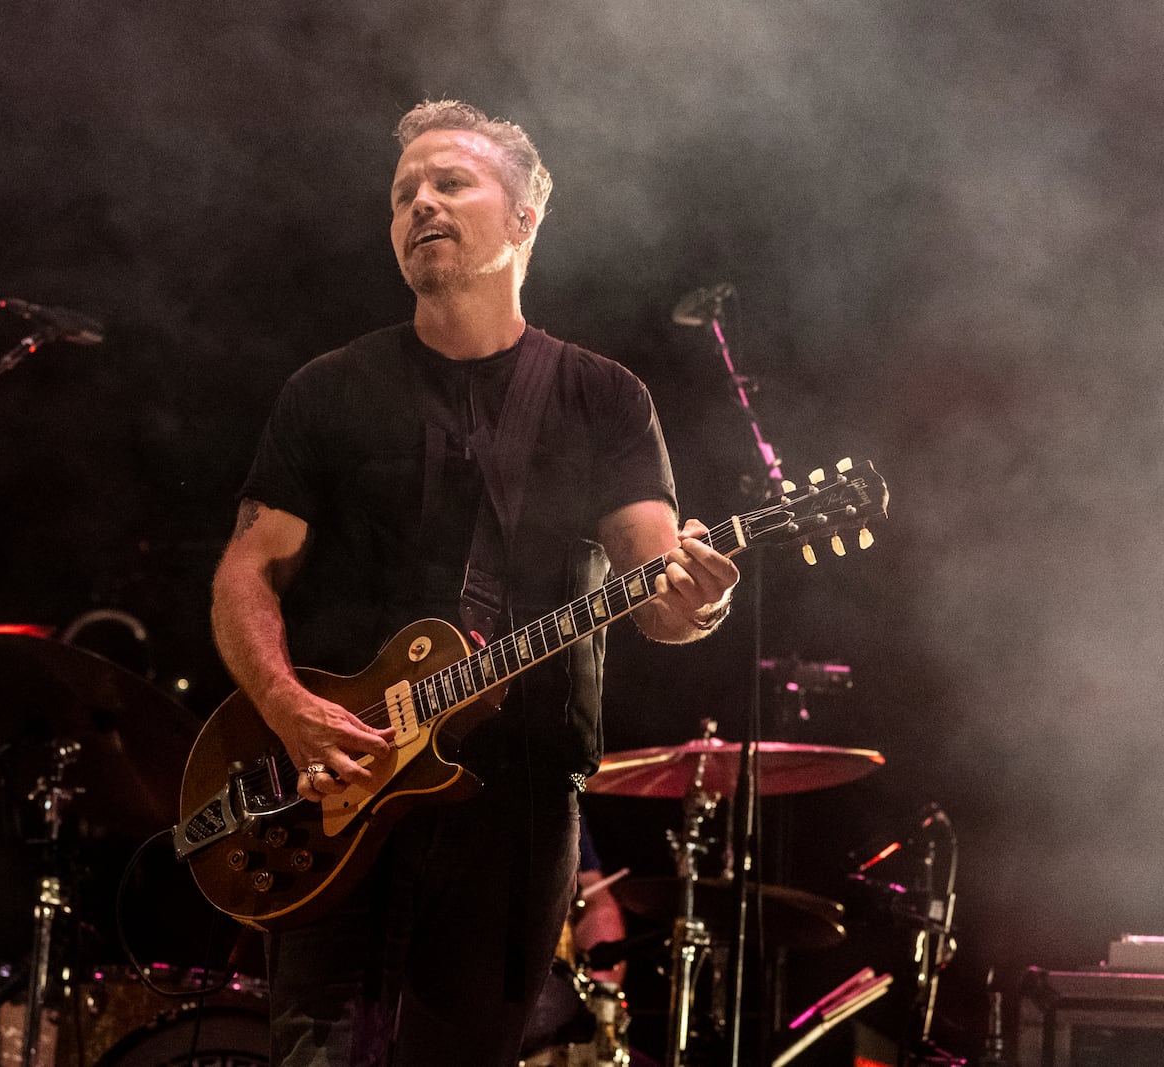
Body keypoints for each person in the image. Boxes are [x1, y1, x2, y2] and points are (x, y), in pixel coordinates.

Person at [209, 99, 740, 1067]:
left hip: (516, 806)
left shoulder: (603, 397)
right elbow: (246, 571)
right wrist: (288, 710)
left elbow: (658, 589)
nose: (421, 203)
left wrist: (696, 593)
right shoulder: (326, 390)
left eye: (450, 181)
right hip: (338, 789)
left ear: (526, 217)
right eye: (403, 191)